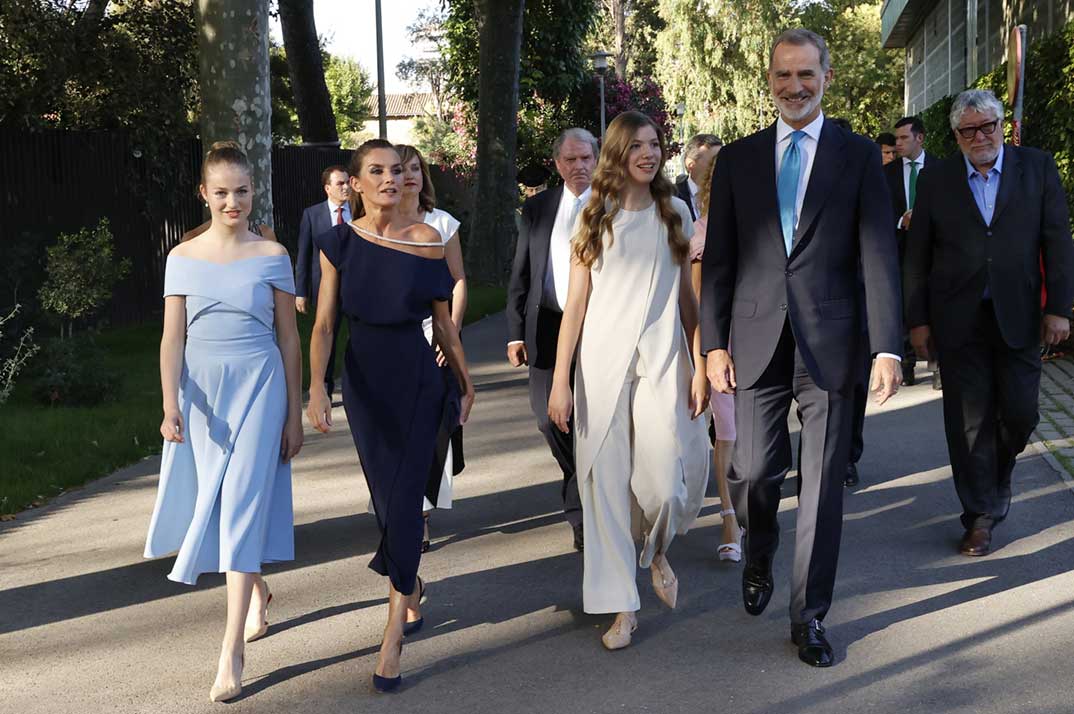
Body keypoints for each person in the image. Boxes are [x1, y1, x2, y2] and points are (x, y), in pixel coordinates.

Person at [701, 29, 903, 668]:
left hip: (834, 343)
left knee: (820, 487)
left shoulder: (858, 155)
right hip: (756, 340)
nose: (795, 87)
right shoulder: (738, 158)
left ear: (826, 76)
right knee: (757, 470)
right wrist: (711, 345)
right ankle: (760, 546)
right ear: (770, 80)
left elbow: (878, 253)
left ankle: (809, 616)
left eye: (806, 75)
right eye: (784, 75)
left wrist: (889, 347)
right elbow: (721, 263)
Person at [306, 139, 475, 692]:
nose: (387, 179)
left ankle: (391, 639)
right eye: (374, 171)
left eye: (395, 170)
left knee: (405, 501)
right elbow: (326, 324)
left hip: (417, 378)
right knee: (386, 502)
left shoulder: (427, 240)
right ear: (354, 183)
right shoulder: (338, 243)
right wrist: (315, 387)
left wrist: (466, 381)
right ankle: (410, 581)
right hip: (364, 384)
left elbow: (444, 323)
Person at [144, 141, 304, 702]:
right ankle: (256, 588)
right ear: (204, 194)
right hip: (201, 392)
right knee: (211, 503)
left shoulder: (274, 254)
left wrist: (295, 409)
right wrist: (169, 405)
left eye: (241, 190)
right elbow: (171, 337)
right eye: (221, 192)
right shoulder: (181, 258)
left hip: (260, 386)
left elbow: (290, 338)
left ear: (252, 191)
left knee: (240, 505)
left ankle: (230, 650)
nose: (232, 201)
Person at [548, 111, 711, 651]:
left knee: (665, 483)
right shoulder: (592, 218)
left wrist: (701, 363)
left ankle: (656, 550)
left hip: (663, 365)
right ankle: (622, 607)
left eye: (654, 143)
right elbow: (575, 307)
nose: (648, 152)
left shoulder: (675, 214)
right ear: (619, 152)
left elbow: (690, 302)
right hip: (599, 370)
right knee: (606, 493)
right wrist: (560, 382)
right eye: (637, 144)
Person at [904, 89, 1074, 557]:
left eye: (988, 126)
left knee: (1021, 414)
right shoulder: (936, 179)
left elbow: (1058, 240)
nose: (981, 136)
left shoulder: (1036, 167)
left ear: (1003, 126)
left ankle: (997, 475)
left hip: (1020, 316)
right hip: (957, 321)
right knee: (968, 425)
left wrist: (1059, 307)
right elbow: (917, 257)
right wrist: (916, 321)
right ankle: (979, 516)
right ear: (956, 136)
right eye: (969, 130)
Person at [506, 127, 599, 551]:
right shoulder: (538, 208)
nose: (579, 167)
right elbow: (522, 272)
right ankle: (582, 482)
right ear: (558, 164)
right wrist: (513, 333)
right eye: (570, 160)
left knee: (593, 421)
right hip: (546, 326)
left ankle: (583, 512)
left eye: (586, 158)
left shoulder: (611, 204)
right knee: (549, 419)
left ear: (597, 158)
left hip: (600, 328)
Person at [396, 144, 467, 551]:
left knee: (432, 430)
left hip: (437, 338)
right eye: (400, 170)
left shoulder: (442, 224)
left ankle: (420, 514)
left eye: (414, 169)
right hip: (395, 342)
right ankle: (402, 507)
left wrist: (450, 335)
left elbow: (457, 281)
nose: (408, 177)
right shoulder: (377, 225)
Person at [689, 154, 741, 561]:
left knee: (756, 440)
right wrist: (706, 356)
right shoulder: (702, 232)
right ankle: (728, 519)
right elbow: (696, 302)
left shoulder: (766, 225)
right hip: (721, 344)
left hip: (764, 341)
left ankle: (752, 511)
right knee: (727, 433)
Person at [885, 115, 936, 389]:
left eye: (904, 138)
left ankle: (938, 364)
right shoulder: (886, 173)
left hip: (934, 251)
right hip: (900, 248)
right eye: (897, 138)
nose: (898, 143)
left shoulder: (941, 169)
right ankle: (906, 365)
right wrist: (900, 220)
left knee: (936, 302)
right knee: (903, 303)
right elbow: (879, 211)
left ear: (920, 138)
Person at [295, 165, 351, 396]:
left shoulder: (361, 211)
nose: (346, 187)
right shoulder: (312, 214)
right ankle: (324, 386)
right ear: (328, 188)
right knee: (327, 335)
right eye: (340, 183)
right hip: (324, 288)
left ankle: (356, 385)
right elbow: (304, 253)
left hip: (355, 286)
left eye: (348, 182)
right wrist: (301, 291)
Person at [675, 134, 723, 220]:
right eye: (713, 161)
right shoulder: (671, 197)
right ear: (691, 164)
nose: (720, 165)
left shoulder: (729, 195)